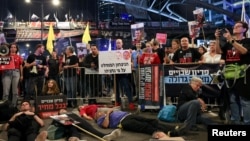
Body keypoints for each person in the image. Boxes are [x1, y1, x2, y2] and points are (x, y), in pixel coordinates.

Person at [215, 21, 250, 125]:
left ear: (244, 29)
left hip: (243, 74)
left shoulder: (247, 40)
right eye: (234, 26)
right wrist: (217, 39)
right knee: (233, 100)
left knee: (245, 101)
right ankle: (236, 122)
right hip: (230, 75)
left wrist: (232, 40)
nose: (235, 28)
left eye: (238, 26)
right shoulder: (228, 43)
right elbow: (219, 52)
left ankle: (247, 123)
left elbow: (244, 51)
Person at [95, 110, 180, 137]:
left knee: (151, 121)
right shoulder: (100, 119)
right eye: (98, 113)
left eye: (100, 111)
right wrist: (108, 114)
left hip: (128, 115)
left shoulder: (107, 113)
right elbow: (105, 125)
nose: (100, 112)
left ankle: (171, 128)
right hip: (123, 121)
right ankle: (166, 133)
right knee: (144, 126)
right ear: (96, 116)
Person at [51, 109, 121, 141]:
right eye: (61, 110)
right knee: (80, 124)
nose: (63, 110)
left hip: (69, 126)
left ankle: (75, 138)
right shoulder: (62, 116)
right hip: (59, 124)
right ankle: (103, 135)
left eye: (64, 110)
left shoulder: (72, 114)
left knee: (74, 126)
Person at [114, 39, 135, 110]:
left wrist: (131, 63)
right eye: (117, 43)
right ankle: (117, 102)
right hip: (116, 74)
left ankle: (131, 102)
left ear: (122, 44)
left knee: (127, 88)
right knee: (116, 89)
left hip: (124, 74)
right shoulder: (113, 53)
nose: (118, 44)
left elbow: (131, 61)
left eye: (119, 43)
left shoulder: (126, 52)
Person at [1, 43, 23, 107]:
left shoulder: (19, 57)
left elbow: (20, 66)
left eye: (14, 47)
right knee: (5, 91)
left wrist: (21, 75)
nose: (13, 48)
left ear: (16, 49)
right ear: (9, 48)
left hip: (16, 72)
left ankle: (14, 106)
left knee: (15, 91)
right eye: (11, 47)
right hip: (6, 73)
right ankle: (4, 106)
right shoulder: (4, 55)